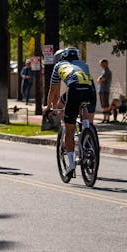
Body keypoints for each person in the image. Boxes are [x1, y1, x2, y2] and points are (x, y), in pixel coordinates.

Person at [44, 47, 96, 178]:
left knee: (69, 129)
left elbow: (53, 89)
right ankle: (87, 132)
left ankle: (71, 164)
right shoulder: (84, 64)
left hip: (74, 90)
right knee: (83, 109)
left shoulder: (58, 66)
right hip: (90, 91)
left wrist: (48, 106)